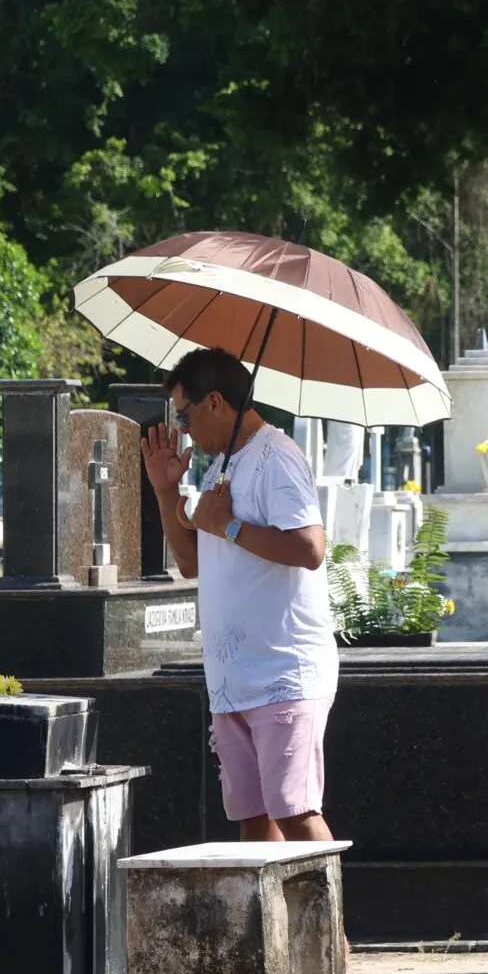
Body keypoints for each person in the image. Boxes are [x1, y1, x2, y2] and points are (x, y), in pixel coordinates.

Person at [143, 348, 337, 843]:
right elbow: (192, 563)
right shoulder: (221, 467)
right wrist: (168, 492)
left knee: (293, 811)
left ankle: (330, 925)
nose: (183, 429)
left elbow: (311, 548)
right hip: (234, 676)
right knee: (255, 816)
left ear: (215, 401)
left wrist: (226, 524)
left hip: (282, 671)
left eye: (184, 414)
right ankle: (265, 924)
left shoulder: (277, 456)